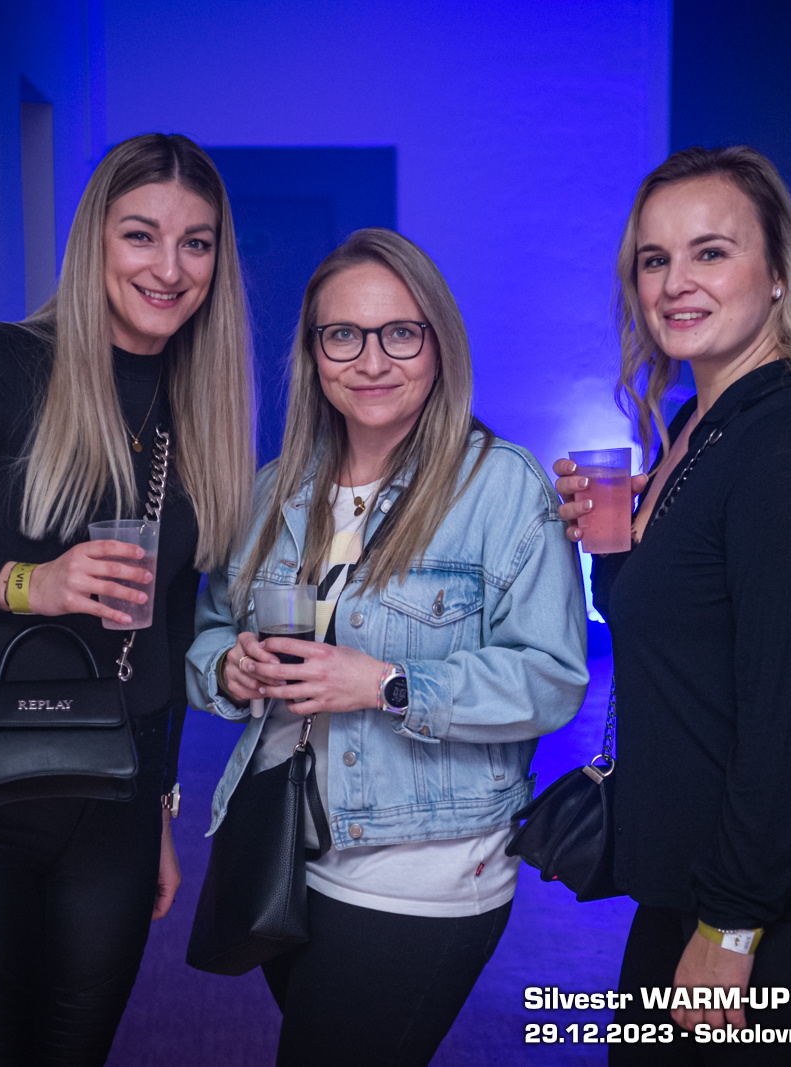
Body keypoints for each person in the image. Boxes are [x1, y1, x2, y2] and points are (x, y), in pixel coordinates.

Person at [0, 133, 253, 1065]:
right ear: (96, 238)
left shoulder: (200, 407)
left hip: (116, 798)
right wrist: (33, 583)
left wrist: (161, 807)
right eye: (141, 235)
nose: (169, 268)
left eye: (195, 243)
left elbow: (172, 619)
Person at [186, 228, 588, 1066]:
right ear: (314, 352)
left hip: (421, 872)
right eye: (344, 334)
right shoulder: (272, 492)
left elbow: (551, 680)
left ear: (439, 344)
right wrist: (230, 665)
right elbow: (211, 628)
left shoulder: (502, 488)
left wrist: (386, 683)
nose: (371, 360)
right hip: (286, 851)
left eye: (400, 332)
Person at [553, 146, 791, 1065]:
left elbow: (787, 717)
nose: (676, 282)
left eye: (710, 251)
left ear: (777, 271)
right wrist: (611, 544)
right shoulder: (694, 426)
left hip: (781, 897)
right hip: (697, 875)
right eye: (655, 259)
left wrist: (733, 927)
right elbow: (662, 628)